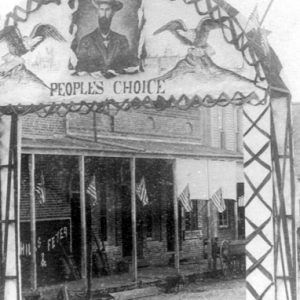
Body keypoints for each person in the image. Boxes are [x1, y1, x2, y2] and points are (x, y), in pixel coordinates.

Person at [75, 0, 136, 77]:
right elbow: (80, 67)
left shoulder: (122, 40)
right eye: (101, 10)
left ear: (113, 13)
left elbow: (128, 64)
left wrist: (118, 71)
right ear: (97, 12)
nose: (104, 14)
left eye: (107, 10)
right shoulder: (86, 41)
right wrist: (90, 73)